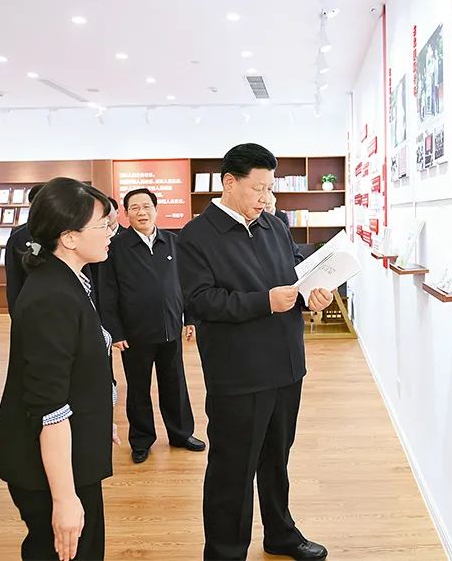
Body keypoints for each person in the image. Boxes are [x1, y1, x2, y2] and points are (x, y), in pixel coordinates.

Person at [177, 143, 334, 561]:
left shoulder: (275, 226)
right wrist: (264, 301)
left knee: (277, 460)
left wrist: (311, 296)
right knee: (232, 470)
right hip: (239, 375)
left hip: (286, 367)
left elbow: (294, 278)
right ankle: (226, 552)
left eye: (270, 189)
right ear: (229, 183)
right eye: (258, 188)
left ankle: (281, 534)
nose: (266, 198)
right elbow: (200, 301)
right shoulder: (195, 236)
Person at [0, 177, 118, 561]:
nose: (111, 233)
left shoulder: (69, 281)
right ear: (70, 237)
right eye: (103, 225)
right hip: (53, 468)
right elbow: (50, 408)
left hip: (75, 451)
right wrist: (65, 499)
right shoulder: (52, 298)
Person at [100, 188, 205, 464]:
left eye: (147, 206)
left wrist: (190, 318)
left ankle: (181, 434)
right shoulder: (116, 248)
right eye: (135, 208)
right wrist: (115, 331)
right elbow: (107, 293)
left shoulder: (173, 242)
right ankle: (141, 440)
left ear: (156, 210)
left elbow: (186, 283)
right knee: (138, 389)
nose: (142, 212)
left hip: (171, 328)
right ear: (126, 213)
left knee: (175, 384)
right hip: (135, 333)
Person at [4, 184, 44, 313]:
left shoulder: (64, 234)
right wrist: (15, 312)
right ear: (30, 205)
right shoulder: (18, 235)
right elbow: (14, 278)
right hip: (29, 301)